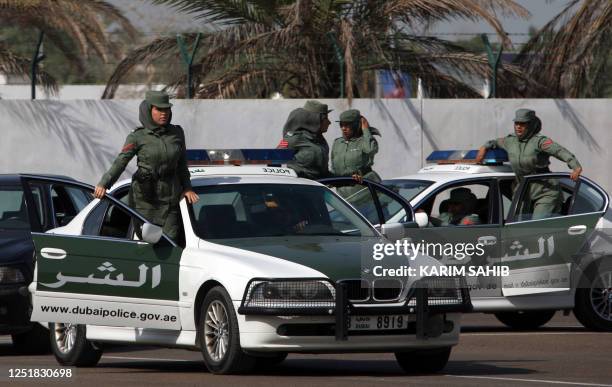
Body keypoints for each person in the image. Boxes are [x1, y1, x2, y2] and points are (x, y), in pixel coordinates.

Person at [94, 91, 199, 240]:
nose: (164, 113)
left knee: (170, 242)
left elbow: (182, 164)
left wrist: (187, 188)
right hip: (145, 200)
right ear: (149, 110)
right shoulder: (137, 136)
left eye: (167, 109)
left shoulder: (177, 133)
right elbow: (121, 161)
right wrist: (104, 184)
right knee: (148, 242)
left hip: (170, 200)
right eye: (159, 109)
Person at [475, 108, 582, 219]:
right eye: (516, 123)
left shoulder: (540, 141)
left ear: (531, 125)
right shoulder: (510, 141)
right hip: (523, 192)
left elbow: (560, 151)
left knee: (534, 226)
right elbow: (495, 142)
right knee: (517, 226)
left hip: (545, 192)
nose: (518, 127)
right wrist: (484, 147)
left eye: (523, 123)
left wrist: (576, 167)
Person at [277, 102, 333, 179]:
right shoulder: (294, 138)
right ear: (315, 120)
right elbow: (274, 156)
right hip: (298, 187)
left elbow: (323, 173)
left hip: (317, 188)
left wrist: (348, 178)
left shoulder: (322, 142)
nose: (329, 122)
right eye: (325, 118)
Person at [331, 109, 382, 183]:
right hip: (342, 190)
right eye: (341, 125)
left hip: (364, 187)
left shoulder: (364, 141)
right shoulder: (337, 143)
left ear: (356, 125)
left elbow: (371, 150)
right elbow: (333, 167)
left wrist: (366, 129)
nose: (343, 128)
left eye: (347, 125)